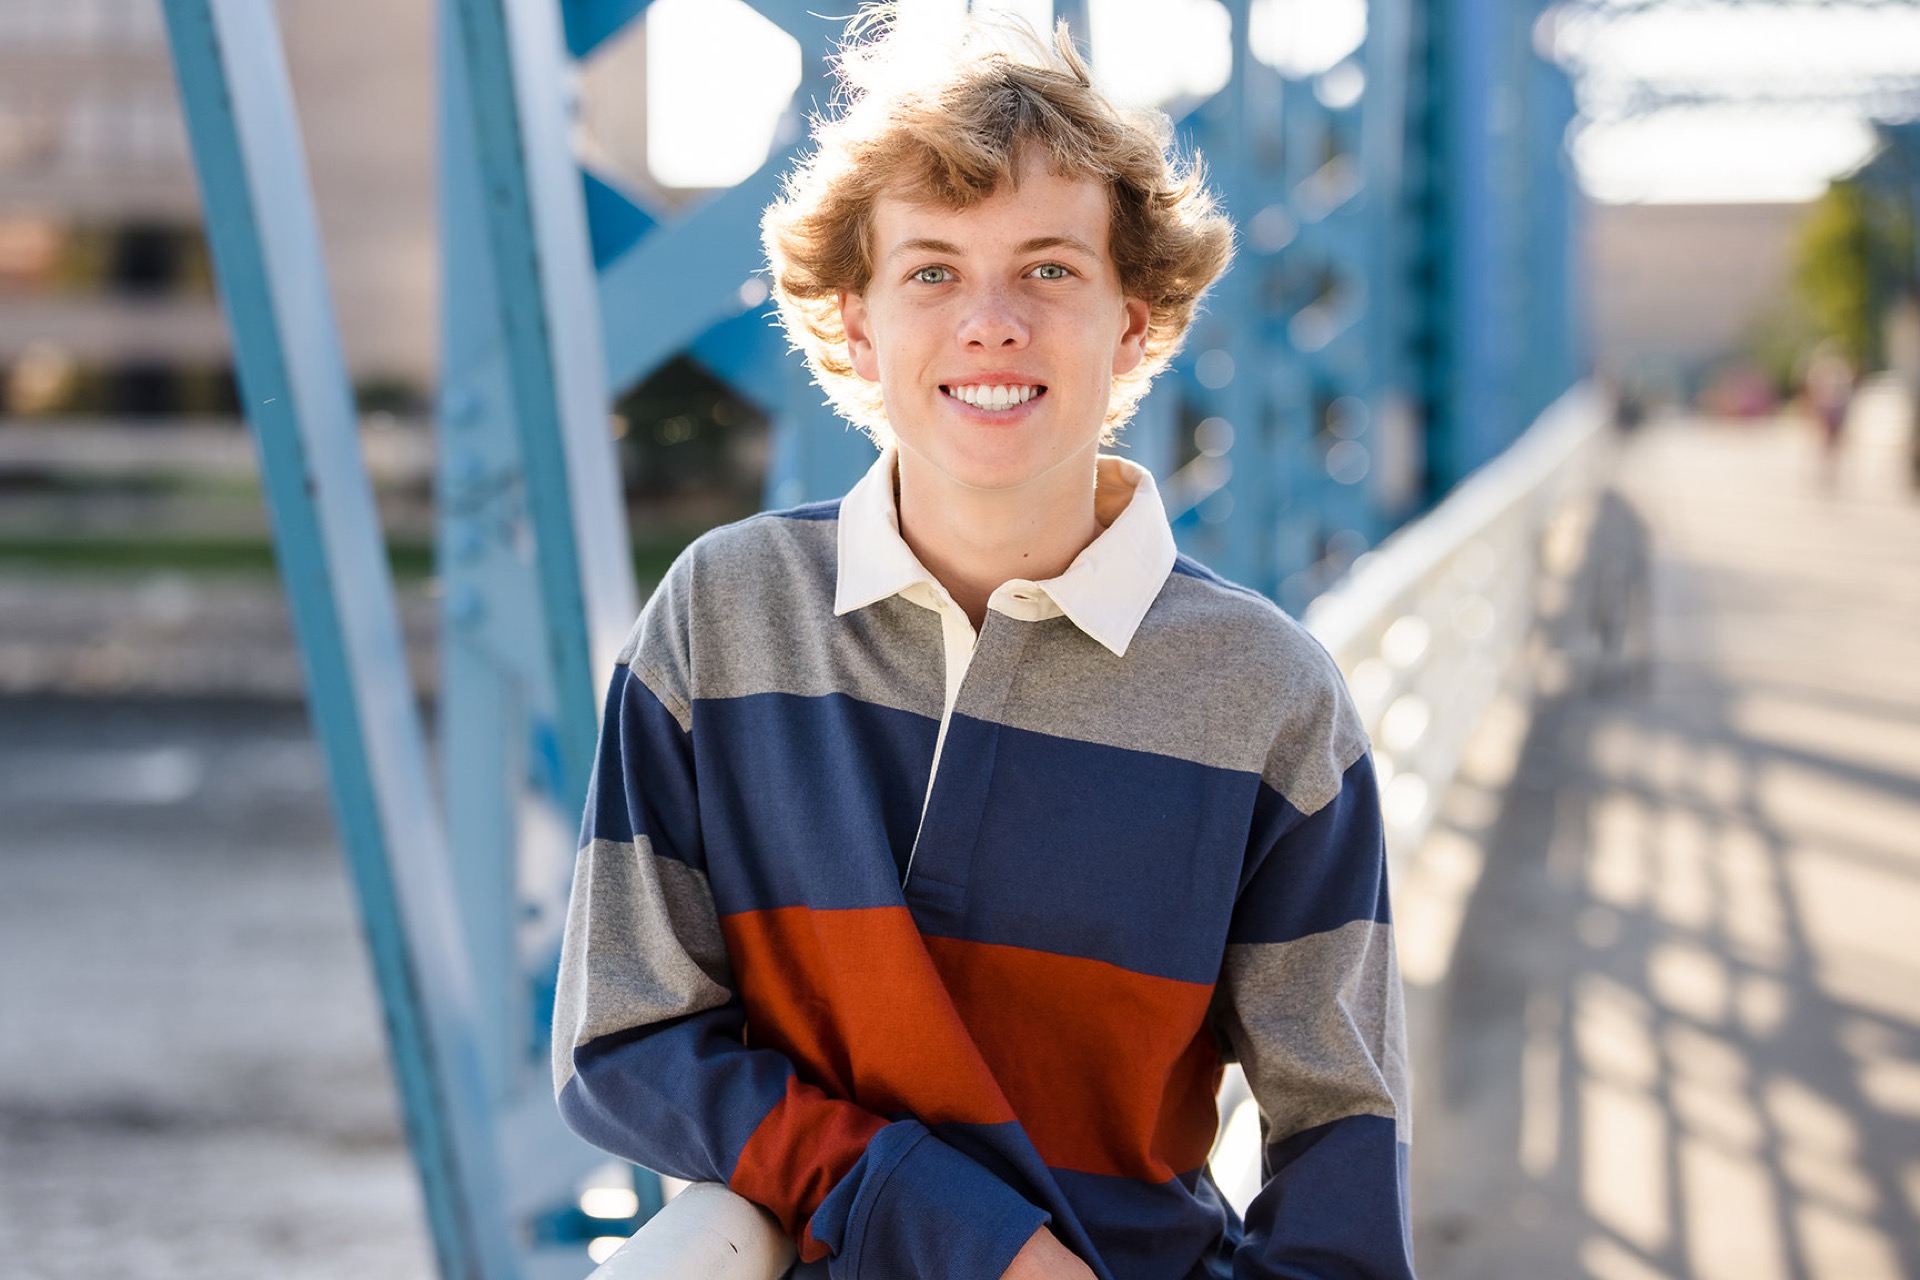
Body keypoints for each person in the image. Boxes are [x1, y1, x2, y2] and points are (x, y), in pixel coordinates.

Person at [552, 11, 1414, 1279]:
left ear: (1134, 319)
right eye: (934, 271)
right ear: (855, 324)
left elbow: (1340, 1132)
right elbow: (623, 1043)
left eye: (1051, 269)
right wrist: (964, 1236)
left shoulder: (1270, 695)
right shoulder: (723, 616)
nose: (992, 321)